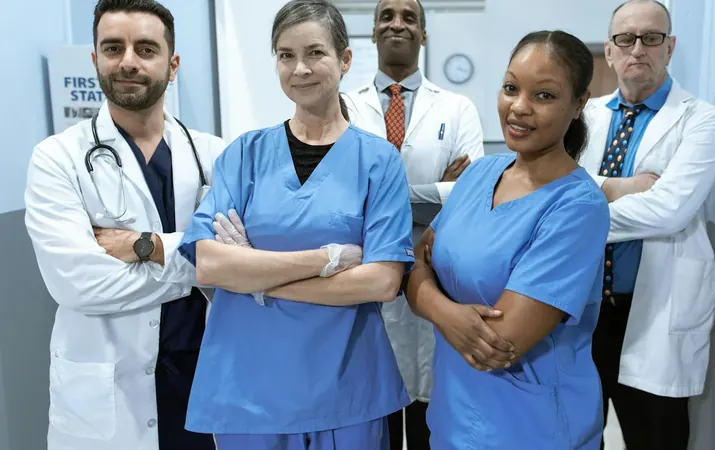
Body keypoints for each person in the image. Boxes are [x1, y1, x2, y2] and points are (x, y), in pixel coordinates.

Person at [176, 1, 416, 449]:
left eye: (315, 53)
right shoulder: (244, 154)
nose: (300, 68)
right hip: (250, 391)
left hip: (346, 388)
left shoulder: (378, 161)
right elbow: (208, 264)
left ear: (345, 60)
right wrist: (326, 260)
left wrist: (253, 277)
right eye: (286, 55)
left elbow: (382, 280)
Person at [23, 1, 225, 449]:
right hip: (105, 400)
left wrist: (146, 247)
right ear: (95, 59)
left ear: (172, 65)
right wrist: (197, 262)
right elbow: (79, 285)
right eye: (113, 48)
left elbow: (238, 263)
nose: (128, 61)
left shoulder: (215, 156)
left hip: (199, 382)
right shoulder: (58, 159)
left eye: (146, 49)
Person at [405, 30, 611, 449]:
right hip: (452, 417)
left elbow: (498, 345)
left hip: (533, 427)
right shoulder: (480, 174)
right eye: (511, 88)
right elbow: (413, 263)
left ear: (578, 104)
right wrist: (449, 312)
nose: (519, 107)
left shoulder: (577, 206)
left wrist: (426, 293)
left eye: (544, 96)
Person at [577, 1, 715, 449]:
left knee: (655, 436)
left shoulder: (701, 119)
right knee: (577, 434)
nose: (637, 48)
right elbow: (554, 186)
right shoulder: (585, 115)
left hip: (652, 310)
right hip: (583, 308)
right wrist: (622, 187)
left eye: (651, 37)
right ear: (610, 49)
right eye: (626, 38)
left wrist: (576, 211)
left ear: (670, 46)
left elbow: (669, 210)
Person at [344, 1, 484, 447]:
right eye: (387, 16)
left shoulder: (458, 107)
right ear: (373, 33)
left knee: (429, 408)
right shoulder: (345, 106)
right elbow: (341, 194)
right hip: (366, 268)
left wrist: (381, 196)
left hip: (435, 268)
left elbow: (469, 195)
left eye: (409, 17)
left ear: (423, 34)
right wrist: (434, 190)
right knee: (377, 405)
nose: (397, 24)